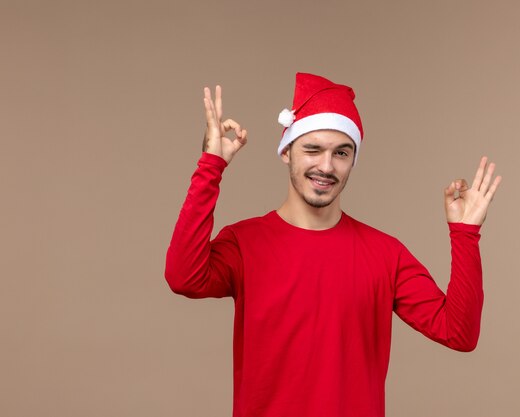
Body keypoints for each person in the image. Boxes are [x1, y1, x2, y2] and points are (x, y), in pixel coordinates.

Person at [165, 72, 502, 417]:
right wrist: (211, 167)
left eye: (341, 153)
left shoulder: (385, 254)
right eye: (312, 149)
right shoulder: (244, 243)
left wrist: (465, 234)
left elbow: (459, 333)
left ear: (352, 160)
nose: (326, 166)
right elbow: (183, 277)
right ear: (286, 152)